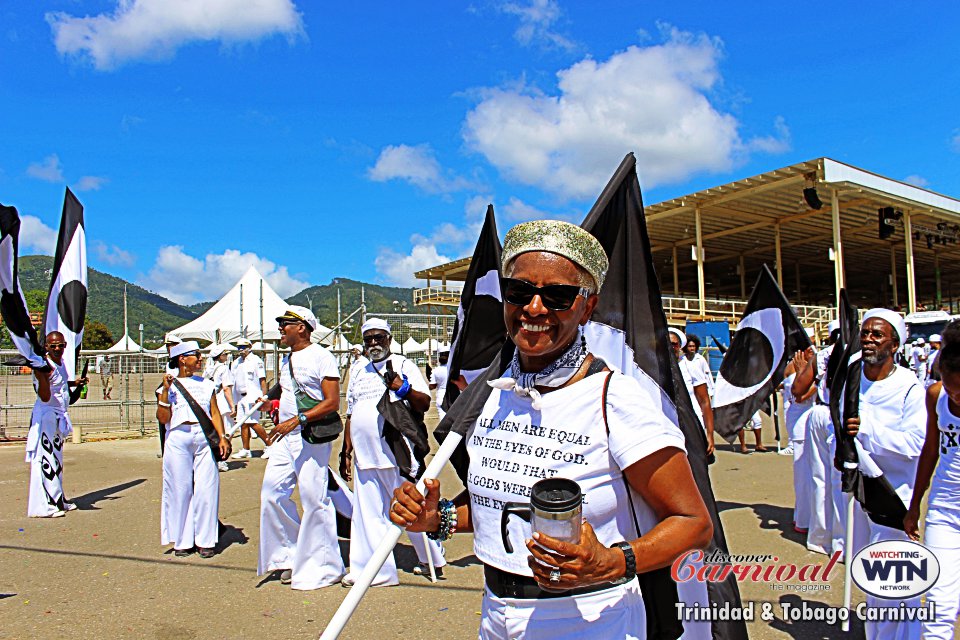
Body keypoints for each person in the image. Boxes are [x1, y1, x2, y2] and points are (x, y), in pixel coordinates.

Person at [390, 220, 713, 639]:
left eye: (558, 296)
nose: (535, 309)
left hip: (589, 617)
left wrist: (612, 562)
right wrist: (441, 517)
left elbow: (694, 523)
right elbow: (501, 507)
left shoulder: (615, 399)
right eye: (520, 291)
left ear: (587, 307)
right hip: (497, 612)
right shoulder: (494, 394)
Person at [341, 318, 445, 586]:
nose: (374, 344)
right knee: (367, 514)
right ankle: (372, 570)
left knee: (410, 508)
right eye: (369, 339)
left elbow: (423, 403)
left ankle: (431, 557)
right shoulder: (358, 369)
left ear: (388, 338)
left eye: (379, 338)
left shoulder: (402, 364)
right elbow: (351, 412)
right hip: (364, 455)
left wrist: (403, 388)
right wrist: (346, 451)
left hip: (395, 451)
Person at [844, 309, 926, 640]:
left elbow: (915, 443)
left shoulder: (909, 386)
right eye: (865, 332)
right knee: (868, 573)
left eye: (877, 334)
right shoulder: (850, 378)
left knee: (895, 577)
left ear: (894, 345)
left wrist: (868, 430)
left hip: (894, 494)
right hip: (858, 491)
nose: (868, 339)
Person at [258, 306, 345, 589]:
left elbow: (332, 402)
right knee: (272, 493)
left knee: (313, 498)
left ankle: (325, 566)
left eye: (286, 323)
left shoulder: (322, 357)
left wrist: (297, 419)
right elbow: (286, 392)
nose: (281, 328)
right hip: (286, 437)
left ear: (303, 328)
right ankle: (290, 555)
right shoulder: (286, 360)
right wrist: (269, 404)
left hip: (309, 435)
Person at [905, 321, 960, 640]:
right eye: (952, 388)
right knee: (939, 605)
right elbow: (930, 450)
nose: (955, 396)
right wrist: (914, 505)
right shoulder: (936, 395)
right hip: (945, 512)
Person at [157, 341, 229, 558]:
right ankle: (183, 539)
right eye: (196, 355)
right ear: (182, 359)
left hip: (203, 437)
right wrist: (165, 393)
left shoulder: (207, 384)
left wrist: (223, 437)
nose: (200, 359)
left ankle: (206, 540)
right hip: (179, 437)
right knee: (180, 489)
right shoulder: (168, 386)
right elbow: (163, 419)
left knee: (207, 488)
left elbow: (214, 413)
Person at [25, 331, 88, 517]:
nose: (58, 349)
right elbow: (44, 396)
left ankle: (58, 498)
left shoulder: (59, 364)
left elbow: (59, 384)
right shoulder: (43, 366)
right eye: (53, 346)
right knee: (45, 460)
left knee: (57, 460)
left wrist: (74, 382)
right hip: (46, 416)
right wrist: (41, 375)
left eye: (61, 345)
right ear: (46, 346)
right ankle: (45, 505)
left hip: (58, 417)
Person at [669, 328, 715, 458]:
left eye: (674, 344)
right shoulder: (657, 369)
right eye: (668, 343)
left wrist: (710, 434)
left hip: (693, 424)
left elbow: (704, 401)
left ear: (680, 346)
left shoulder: (690, 366)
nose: (671, 347)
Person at [231, 338, 271, 459]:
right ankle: (246, 449)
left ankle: (270, 445)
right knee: (243, 423)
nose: (241, 350)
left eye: (243, 347)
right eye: (239, 348)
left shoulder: (255, 360)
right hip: (241, 396)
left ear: (249, 347)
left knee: (253, 423)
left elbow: (262, 380)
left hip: (253, 396)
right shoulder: (236, 362)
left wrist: (264, 396)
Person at [209, 344, 236, 472]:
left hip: (211, 403)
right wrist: (232, 405)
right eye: (224, 354)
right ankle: (221, 458)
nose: (226, 357)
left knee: (215, 431)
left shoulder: (208, 369)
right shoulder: (224, 369)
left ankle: (215, 457)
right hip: (222, 403)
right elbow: (226, 388)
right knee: (227, 432)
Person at [429, 348, 450, 420]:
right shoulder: (452, 369)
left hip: (441, 395)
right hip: (454, 394)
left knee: (443, 419)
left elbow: (432, 386)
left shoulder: (435, 370)